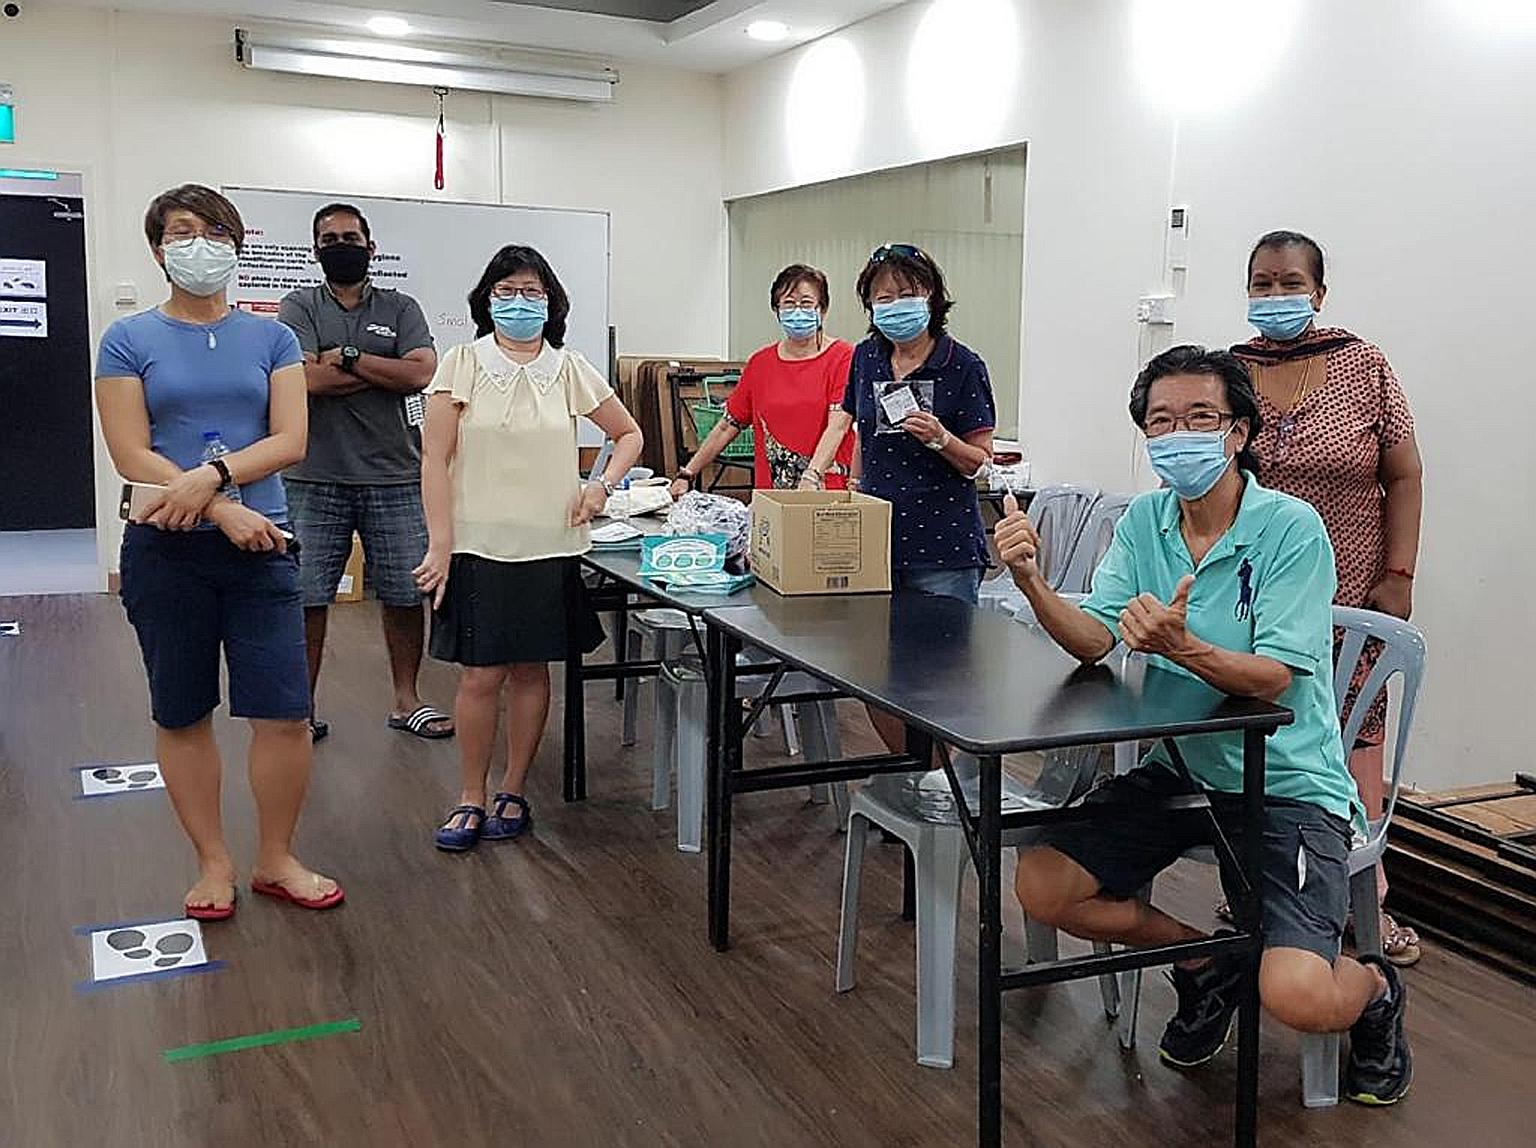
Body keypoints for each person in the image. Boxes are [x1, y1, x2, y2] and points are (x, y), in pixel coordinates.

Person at [996, 345, 1411, 1107]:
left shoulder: (1290, 527)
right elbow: (1096, 636)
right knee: (1043, 883)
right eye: (1161, 421)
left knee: (1296, 997)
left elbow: (1277, 678)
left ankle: (1375, 992)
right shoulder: (1146, 521)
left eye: (1200, 418)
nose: (1178, 434)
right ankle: (1205, 963)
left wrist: (1182, 646)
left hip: (1288, 782)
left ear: (1239, 432)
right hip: (1187, 767)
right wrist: (1033, 582)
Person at [95, 184, 343, 919]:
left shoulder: (271, 339)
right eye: (181, 231)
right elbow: (129, 452)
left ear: (236, 245)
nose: (198, 244)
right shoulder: (128, 339)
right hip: (165, 551)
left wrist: (218, 481)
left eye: (213, 231)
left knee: (284, 712)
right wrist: (222, 508)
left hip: (264, 548)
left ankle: (277, 857)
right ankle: (212, 863)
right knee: (181, 712)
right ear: (158, 248)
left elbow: (290, 439)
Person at [1233, 230, 1425, 966]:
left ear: (1318, 291)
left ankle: (1361, 904)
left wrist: (1399, 573)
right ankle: (1261, 880)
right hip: (1256, 590)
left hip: (1351, 585)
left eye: (1289, 282)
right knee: (1263, 732)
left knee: (1353, 743)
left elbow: (1404, 473)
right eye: (1260, 281)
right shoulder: (1232, 372)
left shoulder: (1363, 364)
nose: (1274, 294)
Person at [414, 245, 643, 852]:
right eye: (507, 291)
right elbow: (433, 458)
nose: (520, 302)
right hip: (478, 545)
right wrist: (440, 543)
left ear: (551, 302)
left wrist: (599, 486)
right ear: (487, 300)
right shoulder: (461, 363)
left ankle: (514, 787)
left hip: (549, 545)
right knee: (479, 675)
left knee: (531, 670)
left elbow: (628, 434)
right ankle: (471, 793)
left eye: (532, 292)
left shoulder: (569, 367)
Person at [277, 203, 451, 744]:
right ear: (315, 251)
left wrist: (347, 358)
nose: (341, 245)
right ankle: (301, 710)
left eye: (350, 237)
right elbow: (301, 380)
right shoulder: (299, 305)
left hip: (395, 475)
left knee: (403, 592)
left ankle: (407, 701)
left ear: (371, 247)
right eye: (329, 239)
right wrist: (383, 370)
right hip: (312, 476)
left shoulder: (401, 307)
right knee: (305, 596)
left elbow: (423, 372)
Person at [828, 243, 995, 753]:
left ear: (931, 296)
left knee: (941, 684)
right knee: (876, 679)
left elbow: (979, 460)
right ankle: (910, 775)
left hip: (943, 547)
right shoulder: (867, 357)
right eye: (883, 297)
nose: (895, 305)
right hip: (876, 544)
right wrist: (853, 492)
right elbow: (860, 433)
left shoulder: (962, 365)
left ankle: (942, 790)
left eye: (907, 293)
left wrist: (941, 438)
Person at [668, 264, 854, 497]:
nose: (797, 311)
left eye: (806, 303)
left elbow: (838, 425)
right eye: (788, 303)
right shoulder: (760, 363)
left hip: (827, 493)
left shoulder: (843, 357)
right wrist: (687, 474)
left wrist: (811, 476)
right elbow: (728, 425)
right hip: (772, 497)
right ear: (777, 310)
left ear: (822, 309)